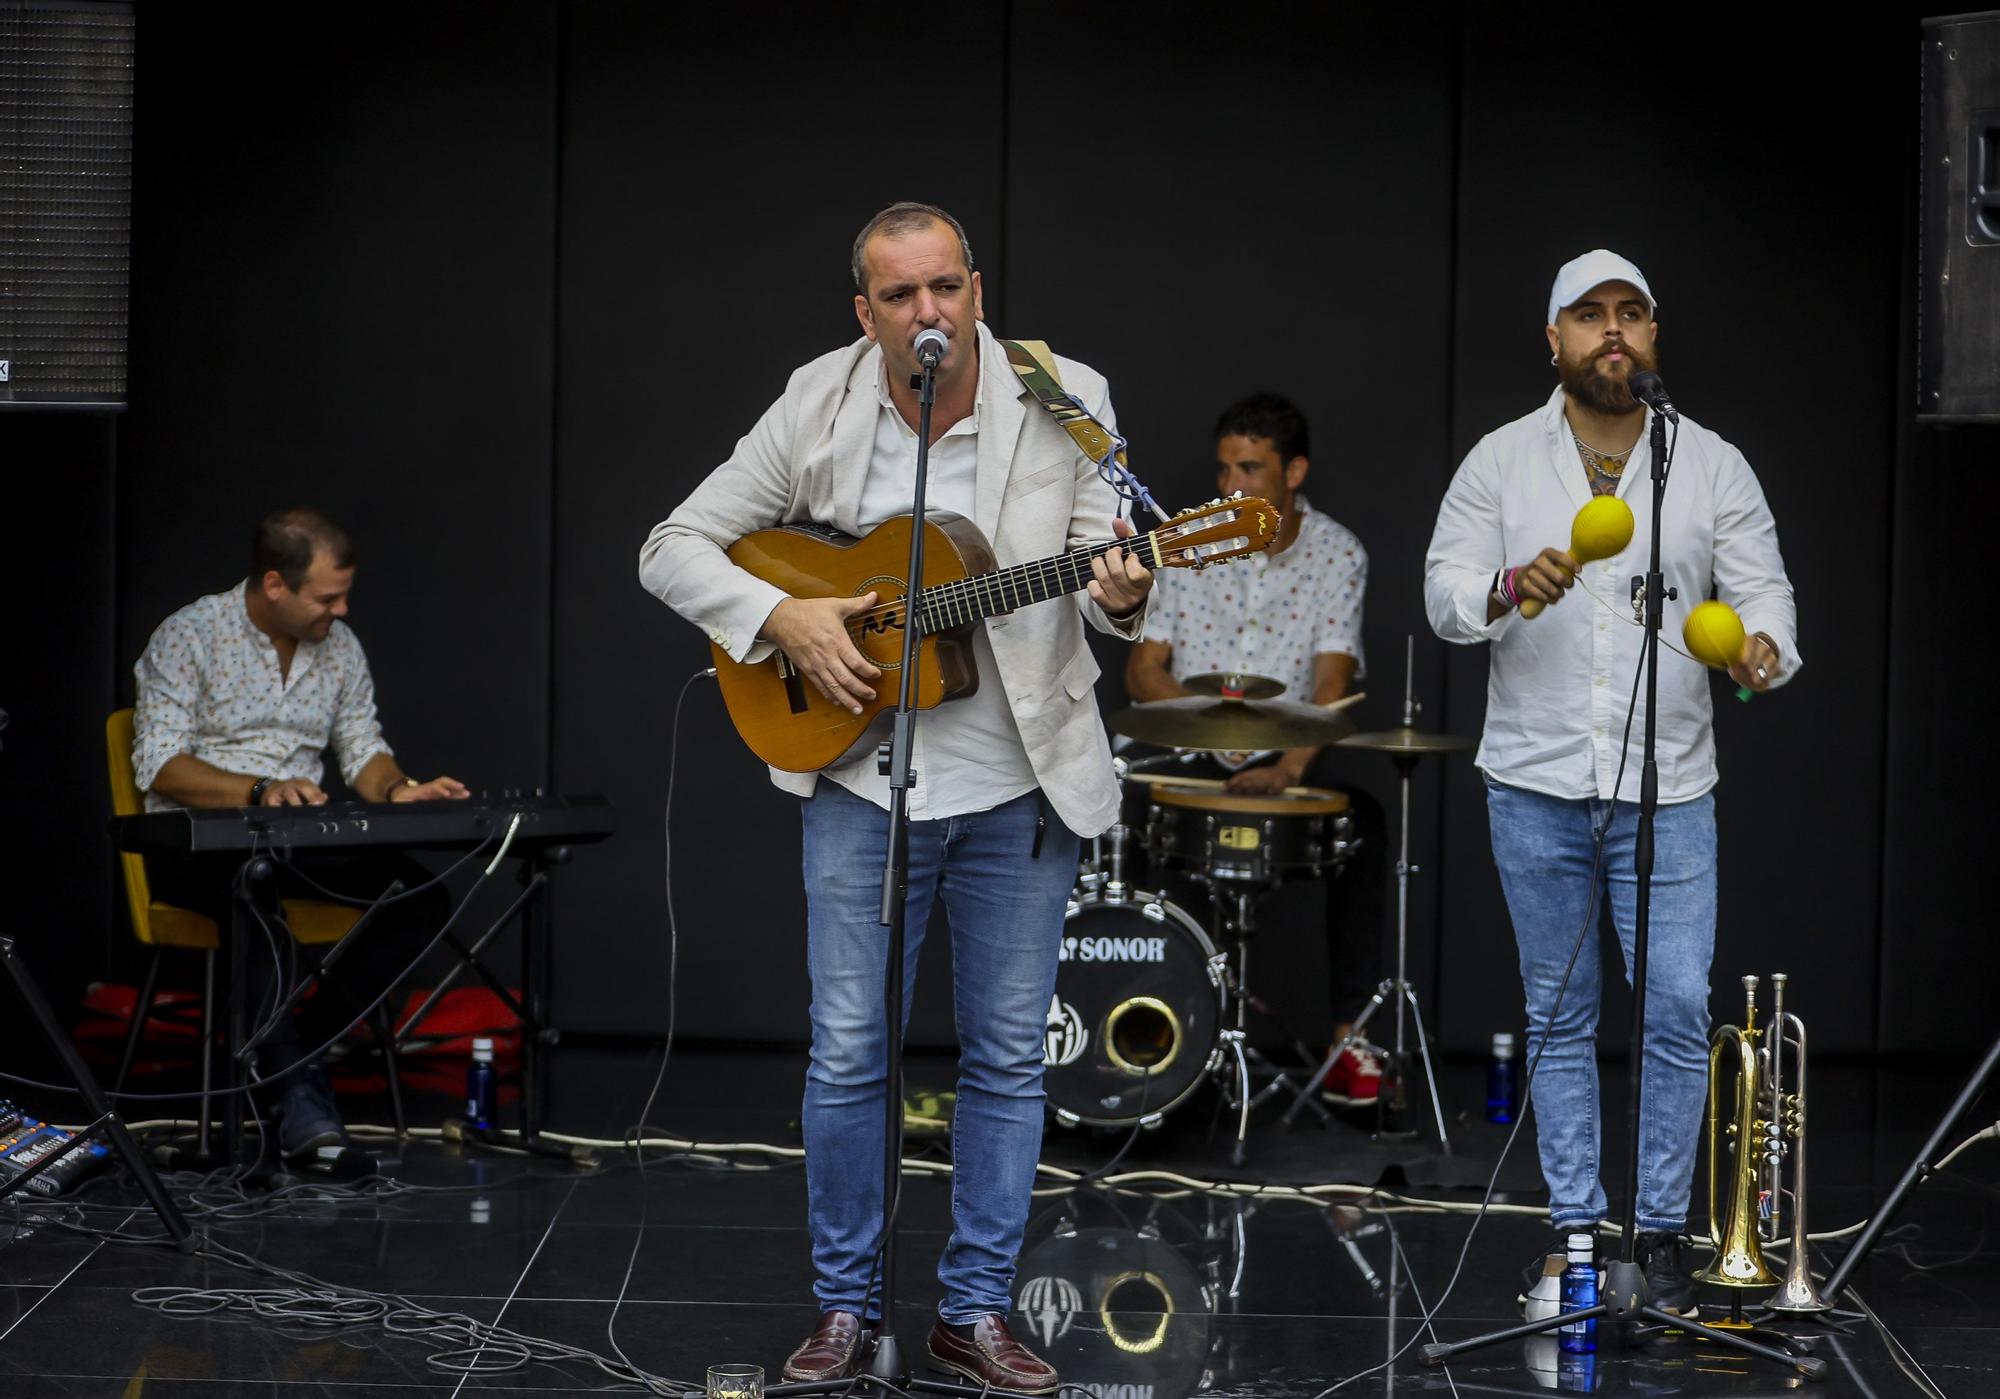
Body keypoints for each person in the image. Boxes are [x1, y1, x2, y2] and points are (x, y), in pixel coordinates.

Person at [638, 202, 1151, 1394]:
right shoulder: (815, 399)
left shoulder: (1066, 392)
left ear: (977, 286)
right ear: (863, 312)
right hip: (858, 783)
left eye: (947, 288)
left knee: (1009, 1060)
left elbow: (1098, 570)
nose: (930, 314)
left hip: (1016, 784)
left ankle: (970, 1314)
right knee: (850, 1052)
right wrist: (784, 617)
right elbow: (671, 546)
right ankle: (845, 1310)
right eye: (901, 296)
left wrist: (1122, 591)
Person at [1423, 249, 1799, 1314]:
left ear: (1651, 336)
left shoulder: (1707, 462)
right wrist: (1505, 585)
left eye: (1630, 312)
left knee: (1677, 1007)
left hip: (1667, 782)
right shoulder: (1499, 461)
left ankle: (1663, 1237)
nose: (1612, 331)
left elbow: (1764, 596)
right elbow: (1444, 594)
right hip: (1533, 778)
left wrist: (1758, 652)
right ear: (1553, 338)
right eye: (1588, 315)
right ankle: (1576, 1232)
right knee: (1556, 1011)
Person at [133, 507, 467, 1156]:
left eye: (345, 594)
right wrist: (259, 790)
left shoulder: (338, 648)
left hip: (299, 841)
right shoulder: (189, 635)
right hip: (201, 845)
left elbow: (362, 747)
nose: (340, 611)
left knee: (421, 898)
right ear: (275, 584)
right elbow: (160, 764)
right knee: (254, 888)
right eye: (327, 596)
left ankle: (294, 1056)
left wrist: (401, 788)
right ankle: (293, 1097)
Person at [1122, 392, 1389, 1107]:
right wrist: (1206, 722)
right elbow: (1143, 670)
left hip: (1286, 758)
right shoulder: (1189, 541)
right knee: (1113, 814)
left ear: (1293, 471)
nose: (1233, 487)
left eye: (1252, 469)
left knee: (1364, 828)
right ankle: (1145, 1033)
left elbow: (1333, 681)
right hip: (1190, 751)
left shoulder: (1338, 552)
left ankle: (1349, 1041)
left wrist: (1286, 766)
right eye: (1225, 470)